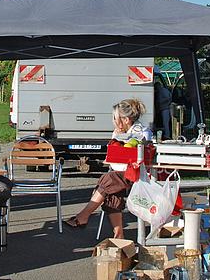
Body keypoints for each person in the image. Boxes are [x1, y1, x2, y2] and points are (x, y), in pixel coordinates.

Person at [64, 98, 150, 238]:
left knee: (108, 180)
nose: (114, 121)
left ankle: (83, 216)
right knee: (112, 191)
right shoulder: (118, 132)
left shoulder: (142, 132)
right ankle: (118, 235)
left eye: (115, 118)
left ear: (126, 119)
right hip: (120, 173)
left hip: (136, 173)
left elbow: (140, 155)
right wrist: (117, 137)